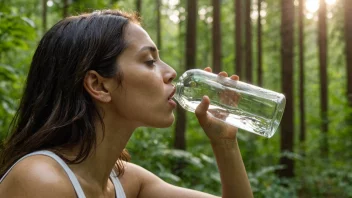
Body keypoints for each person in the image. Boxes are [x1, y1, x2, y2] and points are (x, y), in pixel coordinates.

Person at [0, 10, 253, 198]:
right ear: (99, 85)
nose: (172, 72)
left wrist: (225, 142)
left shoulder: (126, 181)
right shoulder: (39, 180)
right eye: (149, 61)